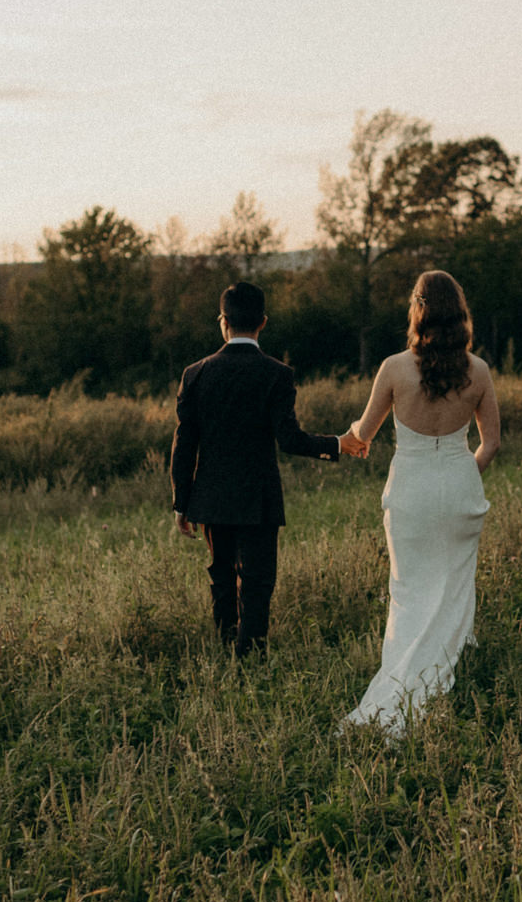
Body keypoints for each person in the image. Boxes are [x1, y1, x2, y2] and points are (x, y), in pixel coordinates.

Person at [170, 281, 368, 657]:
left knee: (222, 578)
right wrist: (337, 444)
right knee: (258, 581)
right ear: (263, 322)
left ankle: (228, 648)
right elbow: (290, 440)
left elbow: (185, 444)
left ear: (222, 322)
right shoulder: (277, 374)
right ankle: (252, 657)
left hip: (211, 497)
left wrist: (182, 502)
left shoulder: (194, 374)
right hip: (258, 498)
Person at [342, 270, 500, 733]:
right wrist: (460, 479)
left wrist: (344, 438)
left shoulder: (393, 368)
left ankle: (405, 674)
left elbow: (363, 434)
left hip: (409, 492)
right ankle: (447, 668)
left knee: (409, 589)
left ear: (417, 309)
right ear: (459, 311)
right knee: (453, 584)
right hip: (458, 488)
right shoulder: (479, 371)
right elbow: (491, 445)